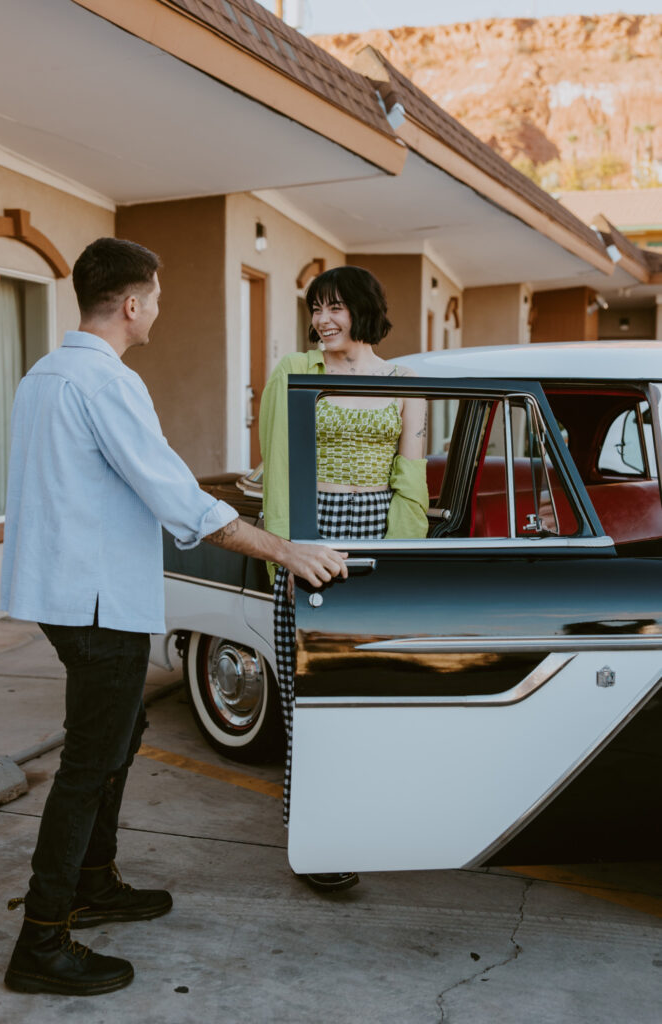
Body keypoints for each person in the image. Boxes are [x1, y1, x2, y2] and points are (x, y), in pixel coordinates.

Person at [0, 237, 347, 997]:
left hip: (63, 598)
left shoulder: (40, 376)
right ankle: (43, 939)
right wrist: (285, 551)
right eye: (154, 298)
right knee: (90, 762)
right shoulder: (105, 383)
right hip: (95, 603)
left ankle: (94, 883)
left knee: (122, 734)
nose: (158, 309)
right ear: (131, 304)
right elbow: (179, 499)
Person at [259, 265, 428, 893]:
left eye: (335, 307)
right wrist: (284, 548)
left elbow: (410, 473)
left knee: (368, 689)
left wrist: (404, 562)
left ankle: (364, 821)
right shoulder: (295, 372)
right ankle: (315, 838)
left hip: (375, 532)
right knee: (307, 696)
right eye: (315, 308)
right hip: (311, 532)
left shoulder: (406, 381)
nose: (323, 320)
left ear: (363, 310)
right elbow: (277, 463)